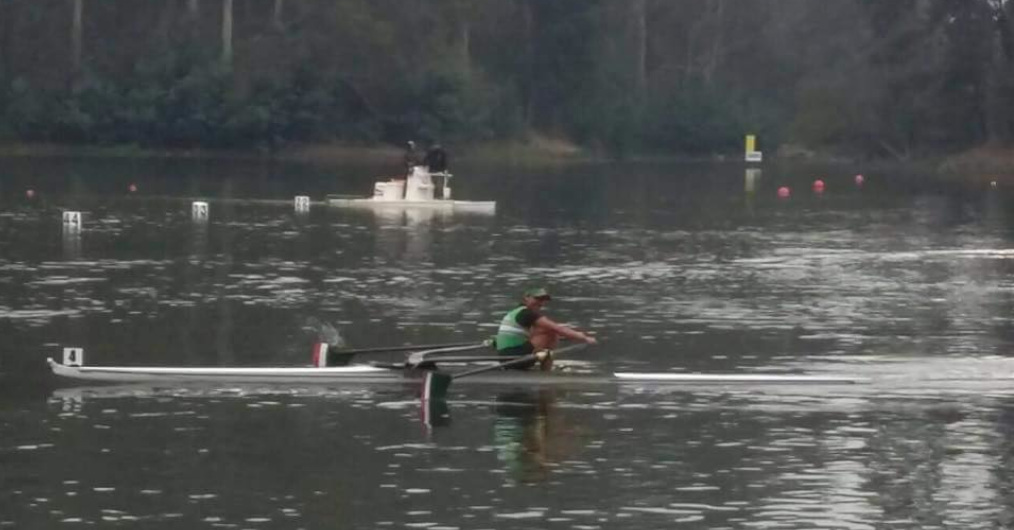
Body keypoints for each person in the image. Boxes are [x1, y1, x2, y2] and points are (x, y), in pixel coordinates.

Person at [494, 287, 597, 369]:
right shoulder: (527, 314)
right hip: (514, 359)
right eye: (537, 299)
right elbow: (557, 329)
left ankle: (543, 362)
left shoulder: (515, 312)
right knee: (551, 332)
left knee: (548, 331)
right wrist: (584, 338)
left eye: (543, 300)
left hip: (505, 358)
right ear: (526, 297)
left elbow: (525, 334)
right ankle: (546, 372)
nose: (541, 303)